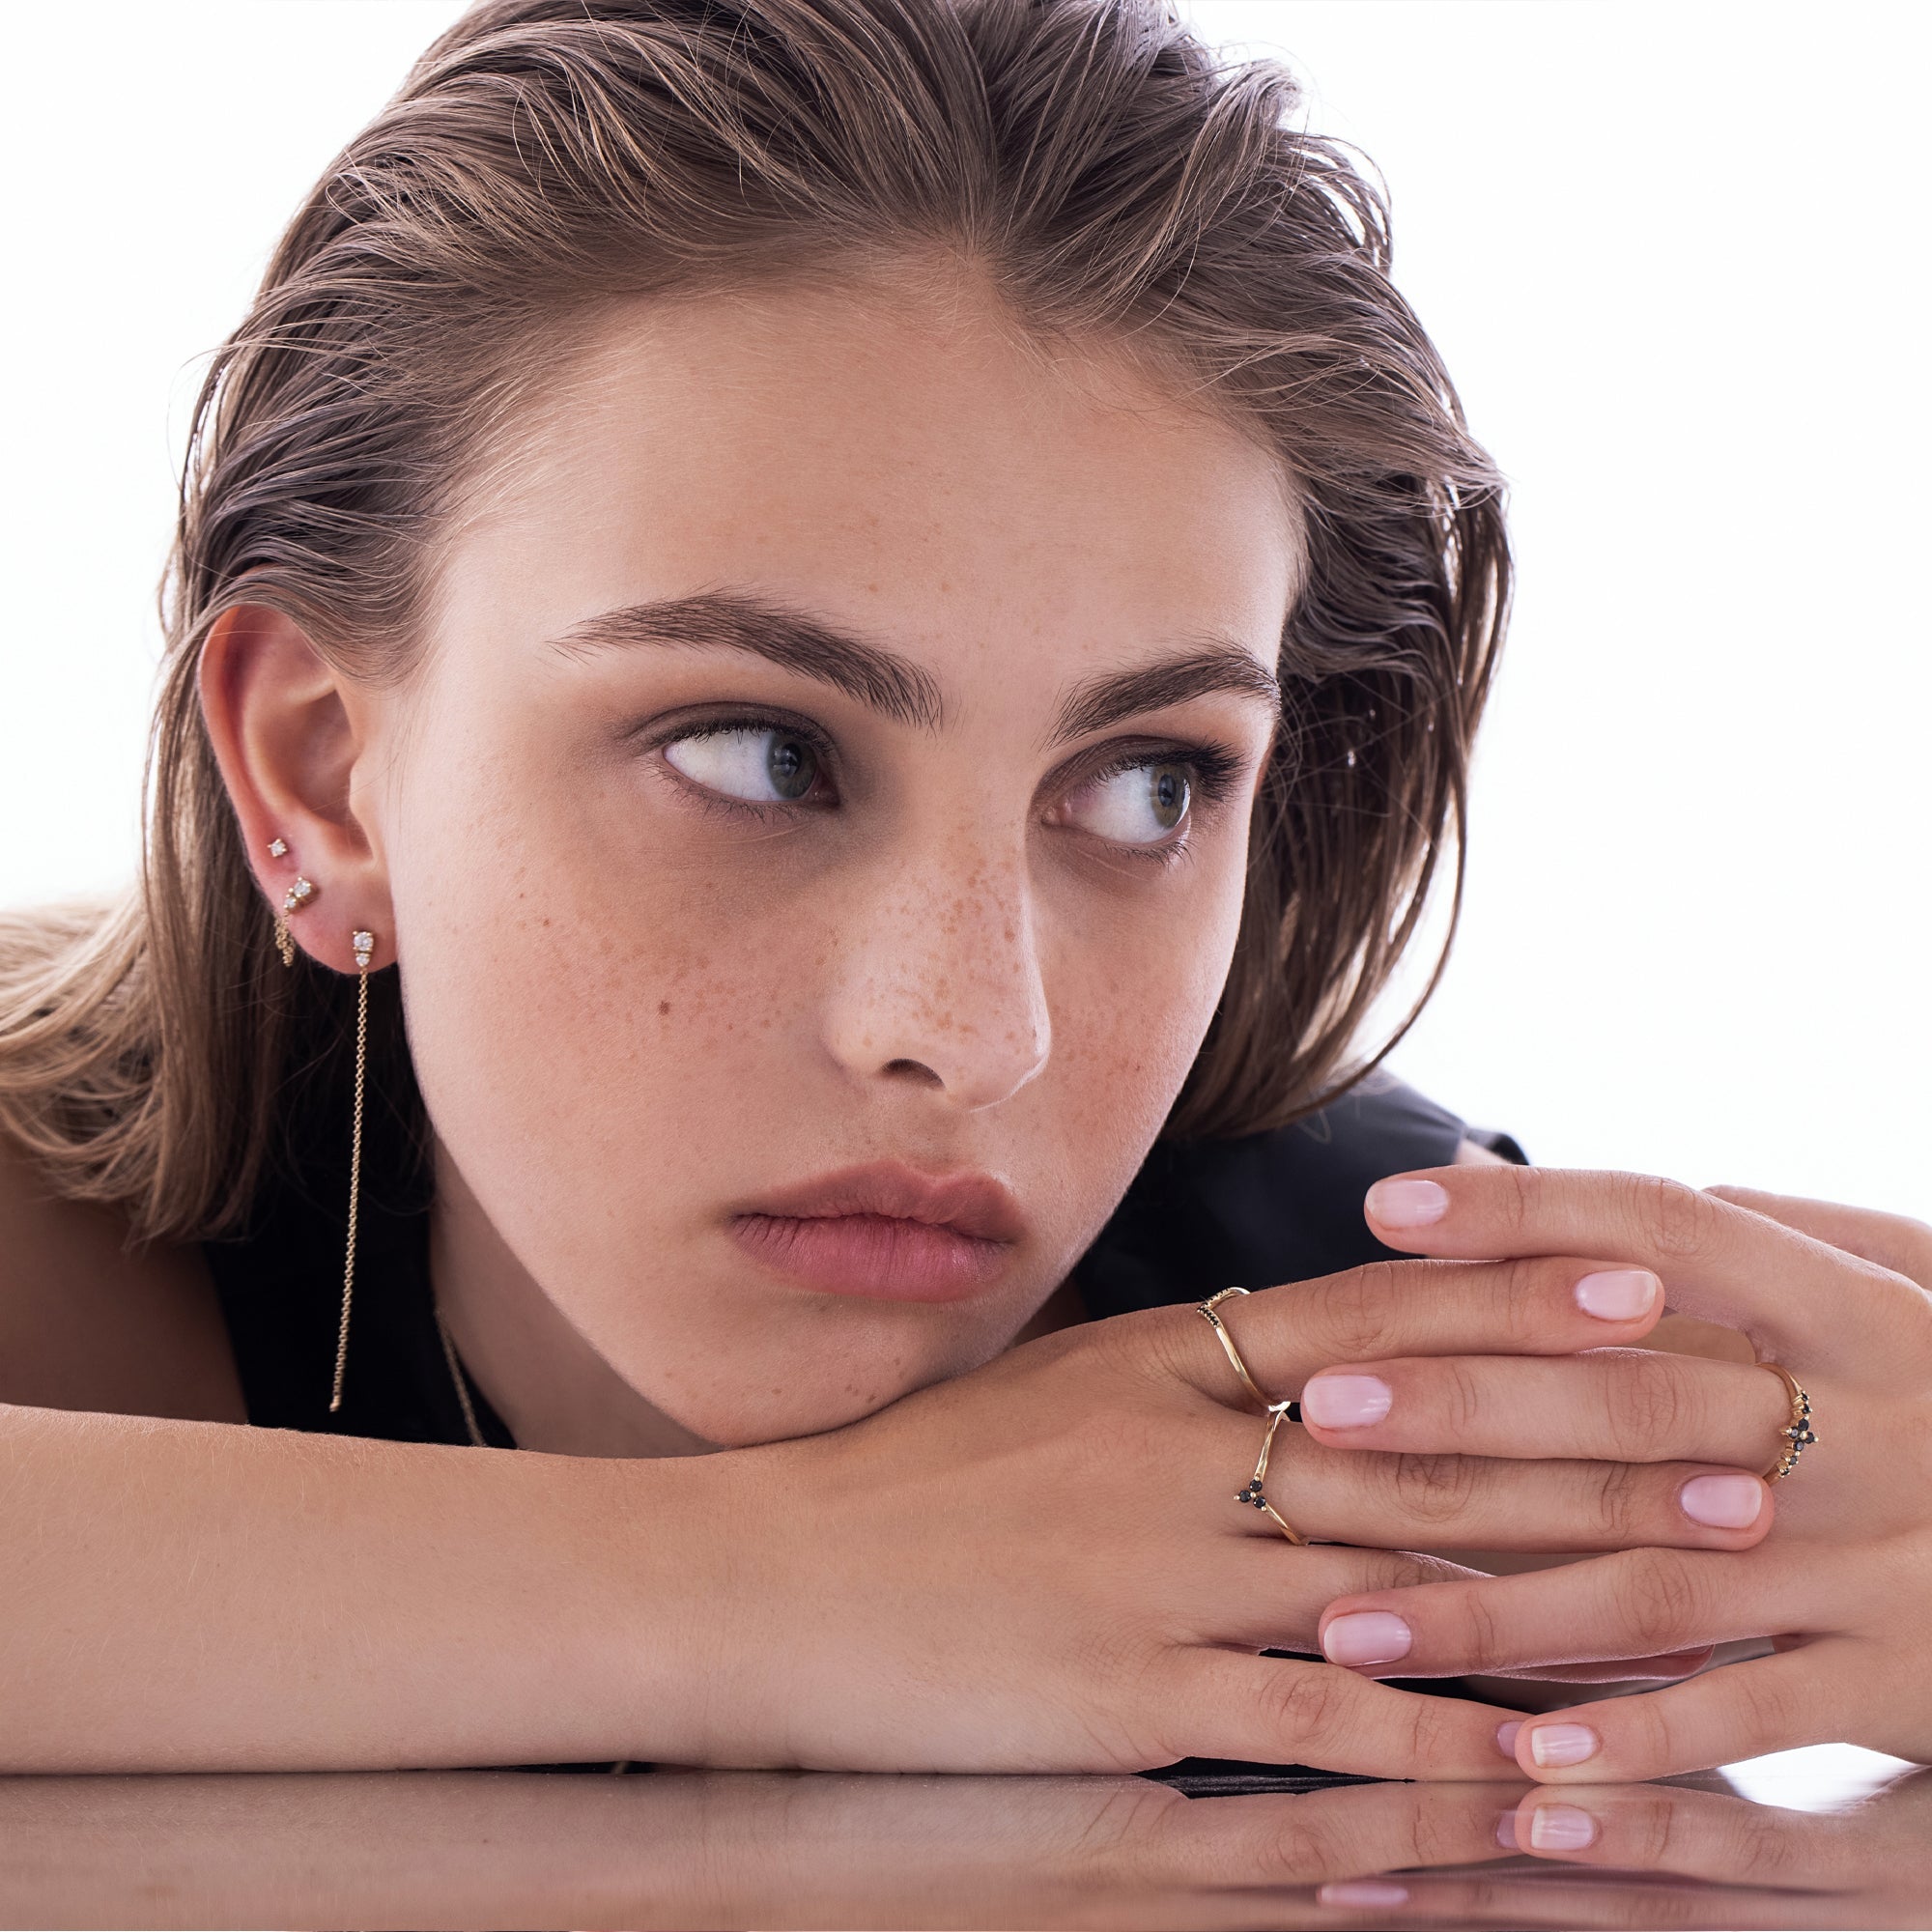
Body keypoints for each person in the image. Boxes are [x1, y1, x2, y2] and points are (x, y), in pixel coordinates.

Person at [0, 0, 1925, 1781]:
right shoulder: (57, 1223)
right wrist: (781, 1582)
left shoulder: (1378, 1349)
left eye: (1147, 781)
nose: (974, 1030)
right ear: (321, 771)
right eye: (759, 754)